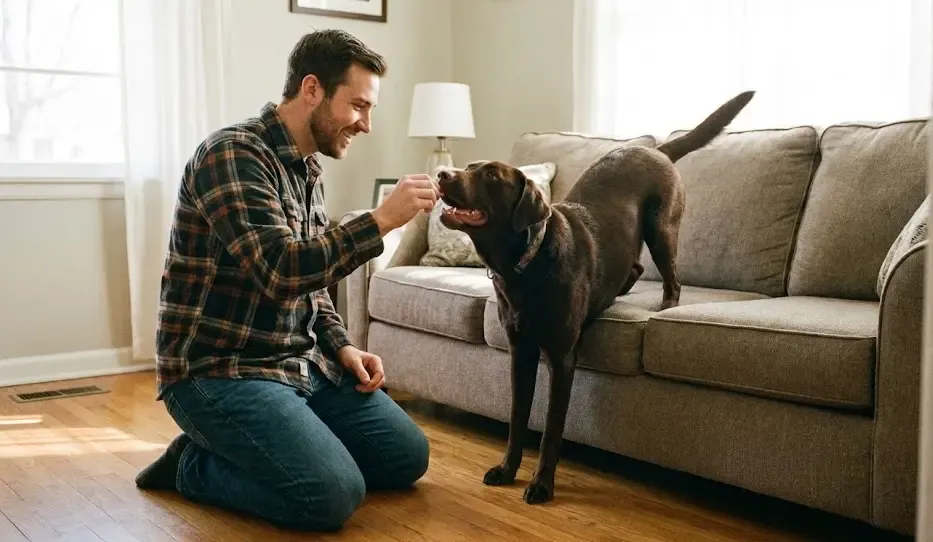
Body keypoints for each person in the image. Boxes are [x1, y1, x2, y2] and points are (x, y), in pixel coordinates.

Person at [134, 29, 439, 532]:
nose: (365, 124)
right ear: (312, 89)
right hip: (219, 370)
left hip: (299, 363)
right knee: (331, 494)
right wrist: (382, 221)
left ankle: (268, 443)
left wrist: (341, 346)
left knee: (406, 457)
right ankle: (192, 465)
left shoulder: (308, 168)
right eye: (358, 106)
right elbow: (281, 270)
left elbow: (311, 282)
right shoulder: (231, 155)